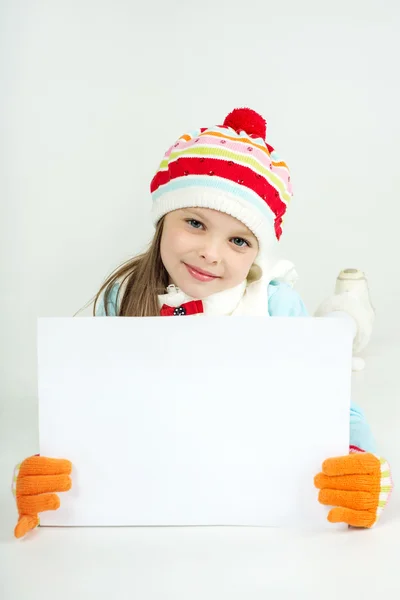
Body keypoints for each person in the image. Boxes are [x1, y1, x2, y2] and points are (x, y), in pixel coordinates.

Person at [12, 107, 393, 539]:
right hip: (157, 480)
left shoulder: (276, 304)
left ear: (256, 253)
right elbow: (91, 406)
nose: (212, 253)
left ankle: (349, 315)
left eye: (237, 240)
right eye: (195, 223)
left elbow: (330, 405)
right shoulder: (124, 296)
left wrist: (363, 465)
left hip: (251, 483)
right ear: (163, 222)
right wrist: (55, 474)